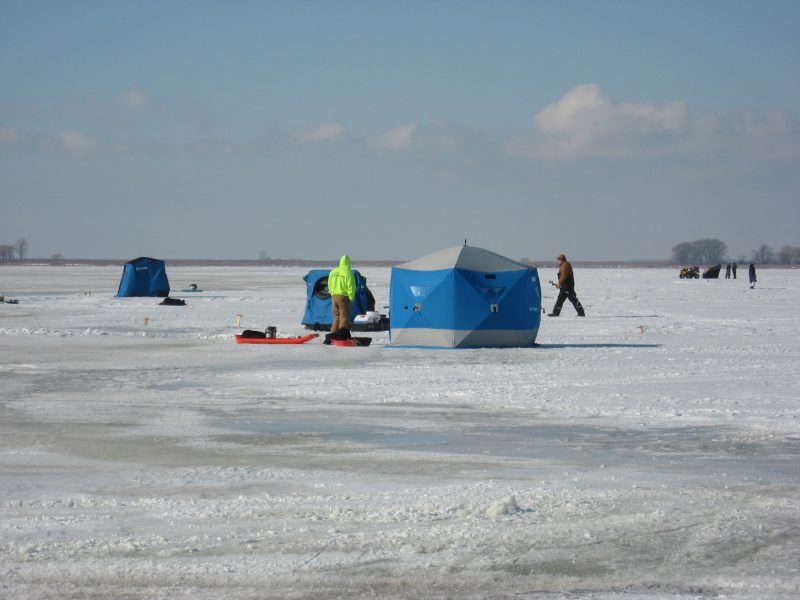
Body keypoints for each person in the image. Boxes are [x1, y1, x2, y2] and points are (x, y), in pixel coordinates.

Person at [328, 254, 356, 332]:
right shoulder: (348, 272)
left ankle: (333, 334)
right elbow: (351, 286)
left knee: (337, 317)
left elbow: (329, 284)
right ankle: (342, 335)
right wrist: (351, 297)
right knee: (344, 317)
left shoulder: (333, 272)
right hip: (343, 297)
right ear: (348, 263)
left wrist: (332, 294)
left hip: (334, 297)